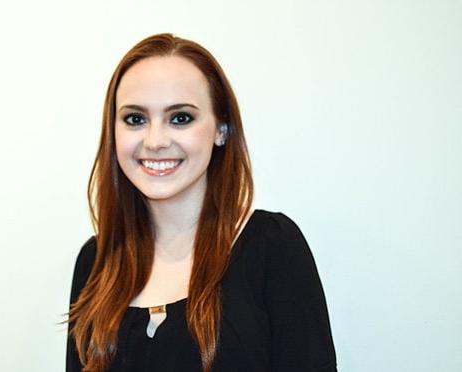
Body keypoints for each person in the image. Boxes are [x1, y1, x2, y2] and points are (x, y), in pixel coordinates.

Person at [66, 33, 337, 372]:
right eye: (135, 119)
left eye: (180, 118)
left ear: (221, 128)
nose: (155, 141)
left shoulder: (271, 245)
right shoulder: (95, 261)